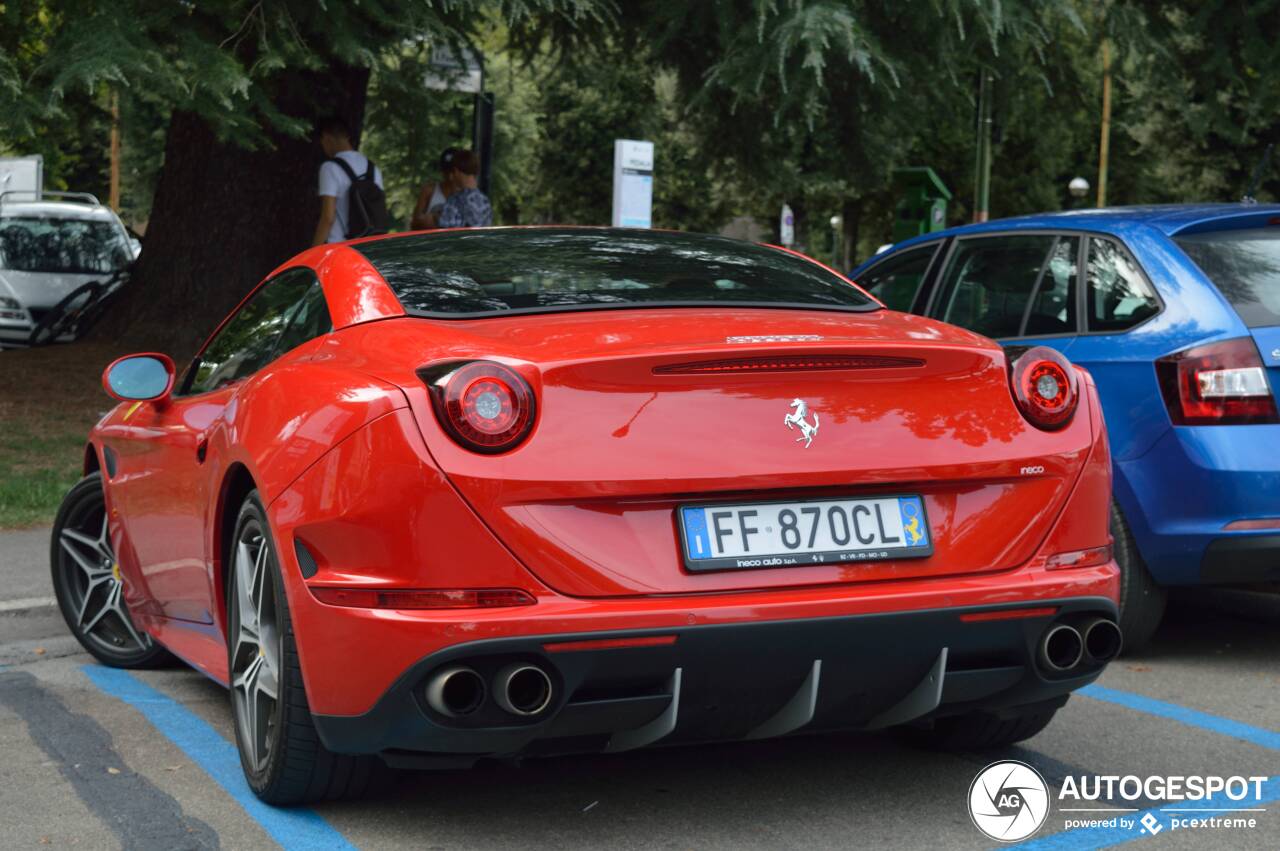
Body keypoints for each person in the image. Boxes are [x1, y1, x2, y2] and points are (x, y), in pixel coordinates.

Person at [312, 117, 386, 245]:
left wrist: (314, 249)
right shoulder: (373, 169)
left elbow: (328, 217)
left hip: (340, 246)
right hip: (369, 247)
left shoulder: (330, 168)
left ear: (326, 138)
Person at [436, 149, 492, 229]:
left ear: (456, 171)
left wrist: (435, 218)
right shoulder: (485, 202)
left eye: (453, 172)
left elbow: (445, 234)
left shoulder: (454, 201)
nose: (451, 177)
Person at [409, 147, 458, 230]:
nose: (450, 176)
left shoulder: (467, 196)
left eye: (453, 171)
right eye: (446, 171)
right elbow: (414, 224)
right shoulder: (429, 191)